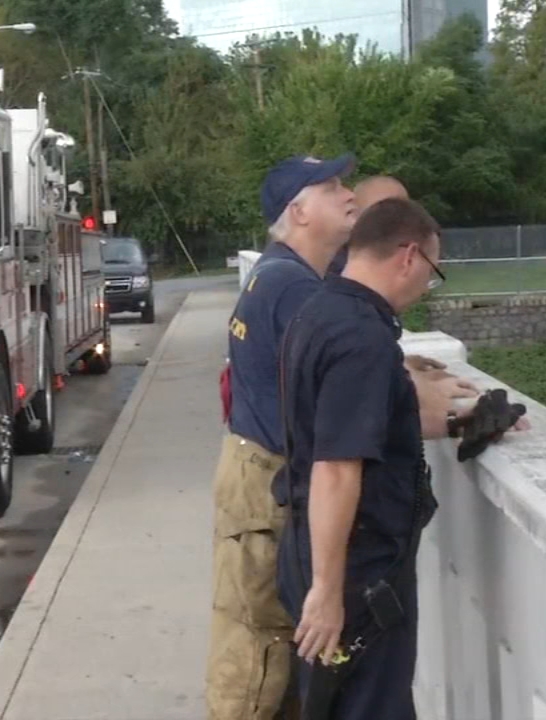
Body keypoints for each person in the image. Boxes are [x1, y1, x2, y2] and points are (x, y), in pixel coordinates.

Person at [207, 159, 473, 720]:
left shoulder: (307, 295)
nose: (349, 194)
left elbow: (352, 400)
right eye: (331, 188)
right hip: (300, 513)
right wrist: (327, 590)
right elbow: (338, 458)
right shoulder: (306, 297)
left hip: (277, 489)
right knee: (260, 659)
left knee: (296, 673)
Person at [273, 198, 526, 719]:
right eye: (432, 273)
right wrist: (327, 592)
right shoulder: (362, 340)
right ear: (409, 256)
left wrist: (462, 421)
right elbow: (337, 468)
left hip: (325, 553)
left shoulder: (321, 311)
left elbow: (362, 424)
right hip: (356, 570)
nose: (425, 286)